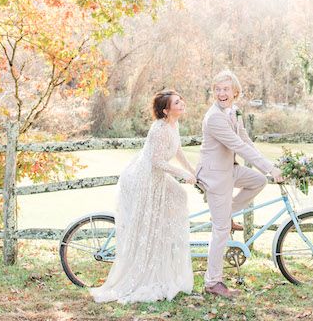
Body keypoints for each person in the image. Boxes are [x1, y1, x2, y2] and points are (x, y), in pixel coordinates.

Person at [90, 90, 196, 304]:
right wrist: (182, 174)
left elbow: (177, 151)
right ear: (166, 110)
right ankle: (147, 260)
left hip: (157, 178)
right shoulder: (159, 129)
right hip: (144, 180)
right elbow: (156, 161)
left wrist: (191, 170)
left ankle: (165, 240)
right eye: (177, 102)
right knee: (155, 216)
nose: (181, 103)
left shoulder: (174, 125)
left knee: (179, 196)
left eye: (180, 99)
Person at [196, 70, 284, 298]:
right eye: (217, 89)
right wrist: (271, 168)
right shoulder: (214, 117)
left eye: (225, 89)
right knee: (221, 230)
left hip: (230, 170)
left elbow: (246, 140)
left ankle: (228, 212)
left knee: (258, 180)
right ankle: (212, 282)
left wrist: (268, 166)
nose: (221, 93)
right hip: (216, 176)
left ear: (235, 92)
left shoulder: (234, 111)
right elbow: (238, 146)